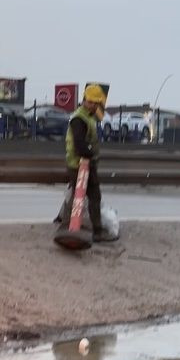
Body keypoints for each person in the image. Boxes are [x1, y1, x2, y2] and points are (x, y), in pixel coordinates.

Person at [58, 84, 114, 243]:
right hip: (80, 165)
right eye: (95, 103)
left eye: (98, 103)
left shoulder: (86, 117)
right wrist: (91, 153)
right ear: (87, 101)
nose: (96, 106)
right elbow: (80, 145)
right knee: (87, 196)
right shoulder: (79, 119)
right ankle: (91, 230)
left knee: (81, 196)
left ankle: (68, 227)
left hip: (84, 164)